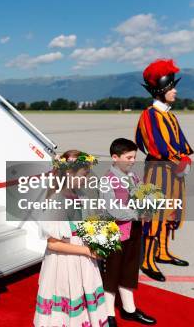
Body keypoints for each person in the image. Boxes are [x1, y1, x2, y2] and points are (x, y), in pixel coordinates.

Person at [34, 150, 109, 327]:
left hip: (82, 258)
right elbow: (53, 244)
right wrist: (86, 250)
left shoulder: (79, 194)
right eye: (85, 173)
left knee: (82, 297)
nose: (88, 176)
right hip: (64, 263)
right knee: (68, 300)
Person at [135, 59, 193, 282]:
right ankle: (148, 260)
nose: (175, 91)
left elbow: (181, 143)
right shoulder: (150, 114)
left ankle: (162, 251)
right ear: (160, 90)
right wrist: (179, 159)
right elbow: (155, 145)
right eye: (171, 88)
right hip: (159, 171)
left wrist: (184, 158)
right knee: (155, 215)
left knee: (170, 213)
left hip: (174, 172)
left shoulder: (169, 114)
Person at [100, 138, 156, 326]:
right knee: (111, 274)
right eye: (129, 157)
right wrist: (138, 214)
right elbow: (111, 209)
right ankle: (108, 313)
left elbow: (142, 195)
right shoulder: (107, 180)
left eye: (134, 157)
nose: (132, 161)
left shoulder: (133, 177)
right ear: (115, 157)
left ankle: (129, 309)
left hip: (133, 231)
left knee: (129, 271)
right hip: (114, 233)